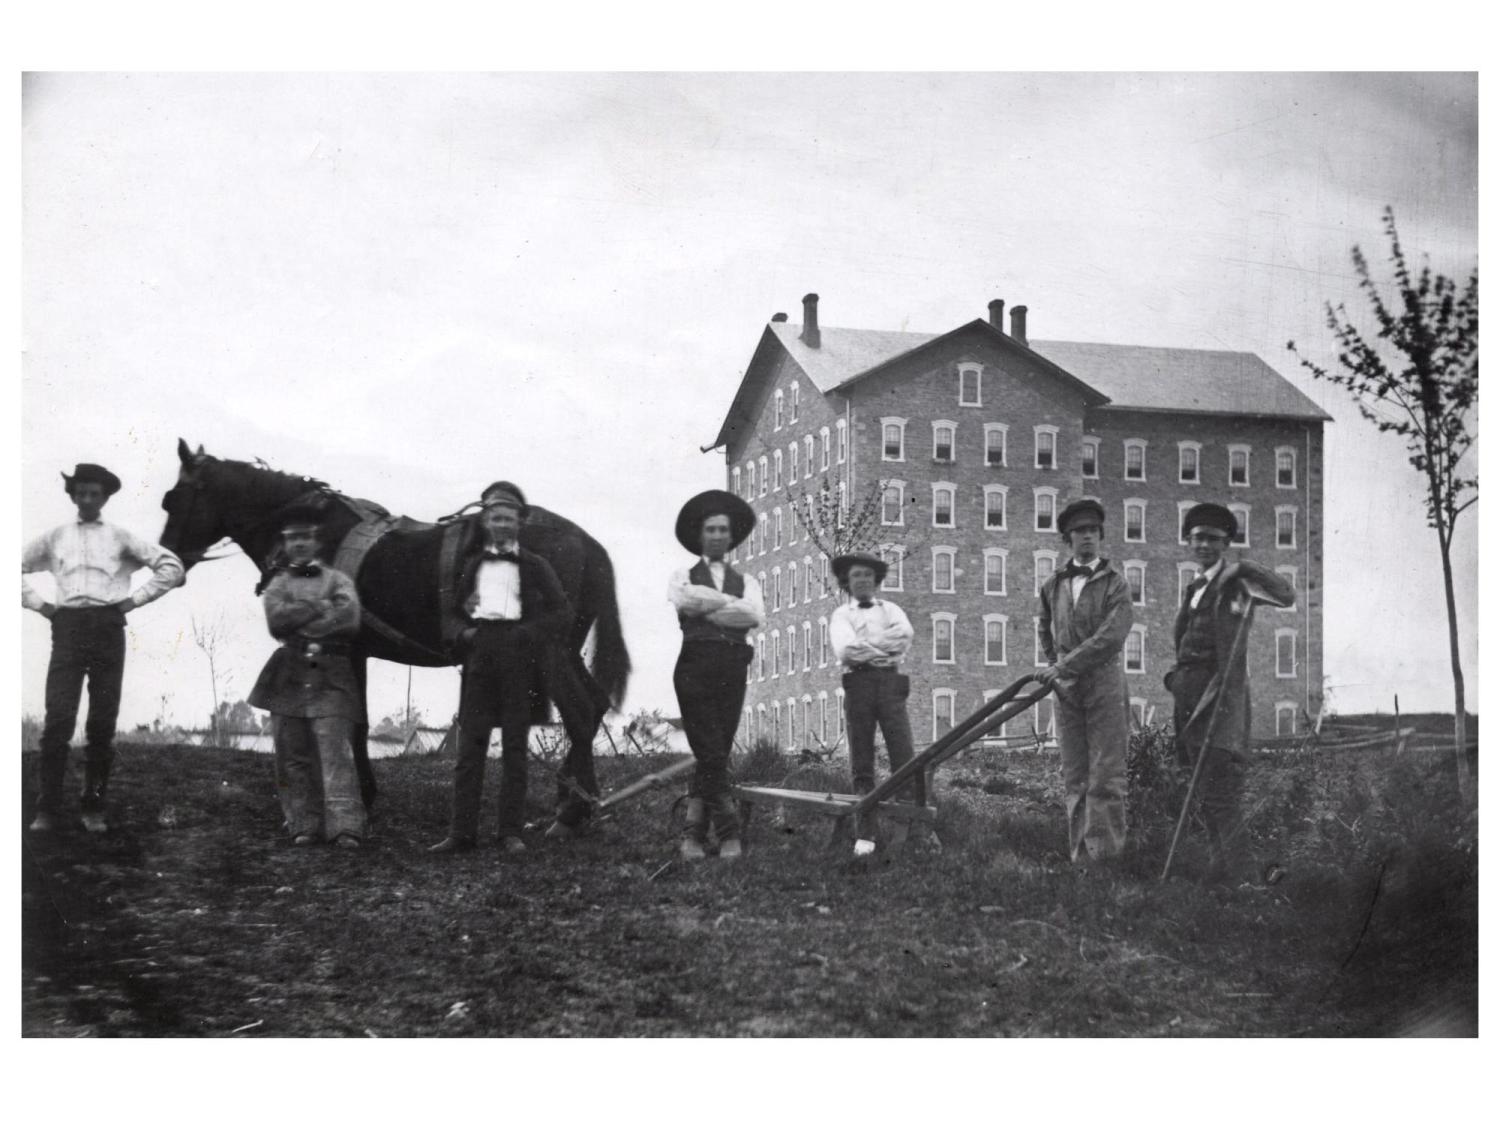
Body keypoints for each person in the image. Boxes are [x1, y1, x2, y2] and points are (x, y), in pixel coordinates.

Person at [23, 463, 184, 834]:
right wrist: (43, 606)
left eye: (95, 493)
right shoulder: (55, 537)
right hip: (67, 626)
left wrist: (132, 601)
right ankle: (46, 810)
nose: (88, 499)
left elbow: (171, 566)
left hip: (108, 627)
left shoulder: (120, 537)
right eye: (81, 493)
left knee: (101, 721)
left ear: (106, 497)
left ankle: (93, 807)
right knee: (59, 719)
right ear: (73, 495)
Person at [430, 482, 577, 854]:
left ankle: (509, 832)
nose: (501, 525)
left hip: (519, 658)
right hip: (480, 655)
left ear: (519, 523)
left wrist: (528, 633)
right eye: (495, 518)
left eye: (508, 519)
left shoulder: (535, 565)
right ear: (486, 521)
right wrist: (465, 635)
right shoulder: (472, 565)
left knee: (514, 747)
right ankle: (461, 833)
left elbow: (563, 612)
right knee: (470, 748)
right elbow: (452, 611)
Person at [1166, 502, 1295, 881]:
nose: (1204, 544)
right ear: (1188, 541)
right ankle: (1216, 872)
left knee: (1222, 794)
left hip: (1218, 700)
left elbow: (1286, 595)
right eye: (1197, 538)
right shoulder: (1194, 587)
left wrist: (1244, 567)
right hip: (1188, 699)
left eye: (1213, 539)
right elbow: (1184, 641)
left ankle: (1241, 878)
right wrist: (1174, 680)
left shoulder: (1238, 584)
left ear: (1226, 543)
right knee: (1202, 792)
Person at [247, 502, 367, 848]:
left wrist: (300, 614)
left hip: (332, 673)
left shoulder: (339, 580)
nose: (299, 544)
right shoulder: (277, 584)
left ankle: (346, 828)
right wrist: (320, 607)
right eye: (292, 538)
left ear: (318, 542)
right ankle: (303, 825)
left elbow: (349, 620)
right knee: (292, 754)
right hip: (289, 671)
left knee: (335, 752)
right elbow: (277, 622)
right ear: (285, 543)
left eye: (306, 538)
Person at [667, 489, 763, 860]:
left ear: (731, 536)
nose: (718, 536)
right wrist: (729, 607)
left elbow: (754, 616)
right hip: (694, 666)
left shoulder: (748, 580)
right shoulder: (681, 575)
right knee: (708, 749)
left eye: (724, 530)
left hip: (733, 667)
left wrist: (710, 607)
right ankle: (727, 834)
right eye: (711, 529)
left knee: (715, 754)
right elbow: (686, 600)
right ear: (700, 535)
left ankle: (692, 836)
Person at [1036, 498, 1133, 866]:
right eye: (1079, 532)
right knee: (1075, 775)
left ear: (1101, 536)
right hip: (1066, 689)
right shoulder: (1053, 585)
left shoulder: (1116, 584)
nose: (1087, 538)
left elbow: (1110, 637)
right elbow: (1043, 627)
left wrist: (1063, 666)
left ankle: (1106, 862)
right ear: (1068, 538)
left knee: (1105, 777)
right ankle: (1080, 862)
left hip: (1104, 682)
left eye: (1092, 531)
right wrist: (1053, 663)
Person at [828, 552, 920, 854]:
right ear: (847, 582)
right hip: (859, 685)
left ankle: (908, 830)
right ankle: (865, 835)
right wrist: (883, 646)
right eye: (857, 575)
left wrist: (866, 646)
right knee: (862, 758)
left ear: (876, 580)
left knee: (903, 756)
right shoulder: (842, 616)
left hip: (891, 684)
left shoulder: (891, 609)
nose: (864, 580)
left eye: (868, 575)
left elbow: (905, 636)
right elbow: (846, 652)